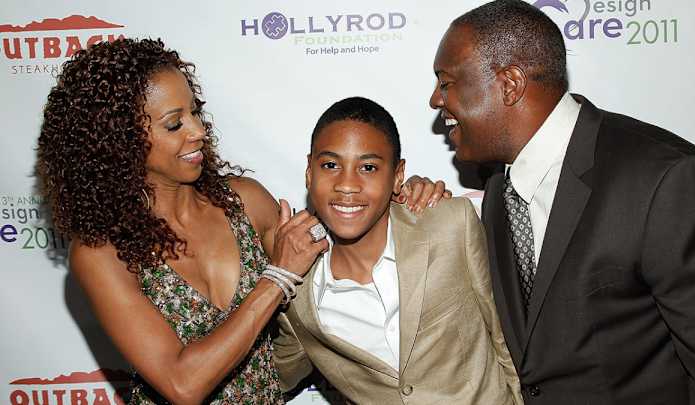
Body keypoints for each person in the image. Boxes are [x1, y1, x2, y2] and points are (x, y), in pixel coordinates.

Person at [37, 38, 442, 405]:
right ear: (121, 139)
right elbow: (182, 385)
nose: (198, 130)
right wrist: (276, 278)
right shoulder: (101, 253)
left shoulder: (243, 201)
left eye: (195, 112)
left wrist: (398, 198)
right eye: (175, 123)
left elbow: (336, 253)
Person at [429, 1, 695, 404]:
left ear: (510, 84)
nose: (435, 100)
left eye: (445, 83)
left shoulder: (666, 180)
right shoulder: (499, 189)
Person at [273, 97, 522, 404]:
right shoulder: (299, 295)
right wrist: (272, 282)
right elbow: (270, 380)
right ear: (309, 172)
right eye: (330, 165)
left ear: (397, 176)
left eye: (368, 167)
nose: (347, 184)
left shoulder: (450, 225)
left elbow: (506, 337)